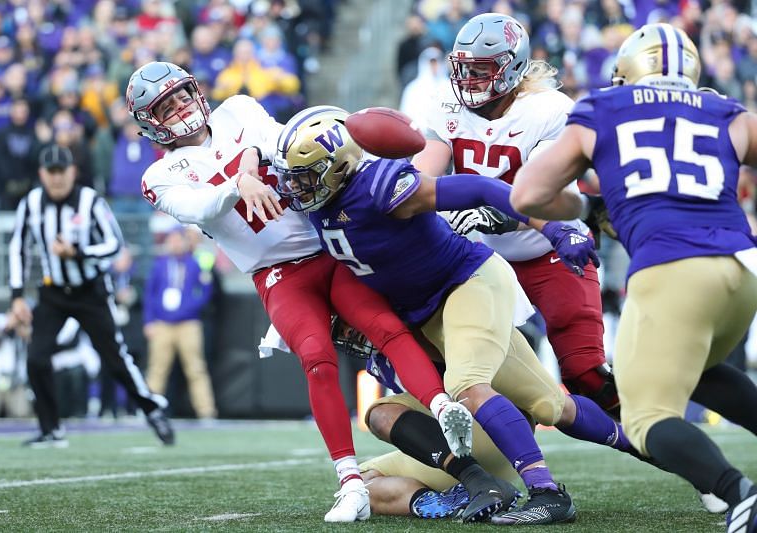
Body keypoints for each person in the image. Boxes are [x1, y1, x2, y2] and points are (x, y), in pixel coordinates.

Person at [127, 61, 474, 523]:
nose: (180, 108)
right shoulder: (161, 175)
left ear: (196, 91)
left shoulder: (238, 109)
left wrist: (251, 158)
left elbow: (281, 142)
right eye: (166, 106)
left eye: (181, 96)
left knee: (385, 327)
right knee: (316, 356)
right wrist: (240, 180)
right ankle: (349, 481)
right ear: (151, 124)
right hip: (278, 274)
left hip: (328, 245)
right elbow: (200, 206)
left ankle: (443, 406)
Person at [274, 106, 641, 526]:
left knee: (497, 392)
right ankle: (481, 484)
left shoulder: (379, 188)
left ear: (337, 167)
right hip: (440, 342)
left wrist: (553, 227)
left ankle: (548, 491)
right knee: (375, 457)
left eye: (303, 176)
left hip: (466, 282)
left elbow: (481, 189)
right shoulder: (327, 227)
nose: (294, 188)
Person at [509, 23, 757, 533]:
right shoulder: (725, 110)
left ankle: (740, 496)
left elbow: (526, 196)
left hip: (672, 270)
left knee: (645, 418)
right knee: (702, 370)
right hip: (742, 268)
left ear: (625, 72)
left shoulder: (602, 108)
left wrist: (593, 207)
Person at [413, 12, 618, 414]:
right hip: (482, 259)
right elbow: (424, 176)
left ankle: (651, 435)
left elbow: (541, 191)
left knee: (585, 372)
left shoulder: (548, 109)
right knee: (468, 369)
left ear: (513, 67)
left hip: (551, 247)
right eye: (464, 68)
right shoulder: (443, 103)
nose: (468, 79)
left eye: (481, 69)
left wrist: (497, 215)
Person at [8, 143, 174, 447]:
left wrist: (78, 253)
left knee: (115, 358)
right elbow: (18, 249)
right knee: (36, 359)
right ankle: (51, 430)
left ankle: (152, 410)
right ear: (42, 174)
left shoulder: (90, 201)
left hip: (91, 291)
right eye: (51, 172)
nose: (57, 178)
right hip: (53, 293)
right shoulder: (31, 203)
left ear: (73, 172)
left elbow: (114, 245)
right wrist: (17, 296)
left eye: (62, 171)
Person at [143, 226, 217, 420]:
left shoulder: (195, 263)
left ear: (186, 242)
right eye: (172, 240)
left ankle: (206, 411)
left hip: (188, 323)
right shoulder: (160, 264)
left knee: (196, 368)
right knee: (157, 368)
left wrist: (189, 308)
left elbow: (205, 291)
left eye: (179, 240)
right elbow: (149, 294)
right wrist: (149, 321)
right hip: (162, 324)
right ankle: (150, 410)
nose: (175, 244)